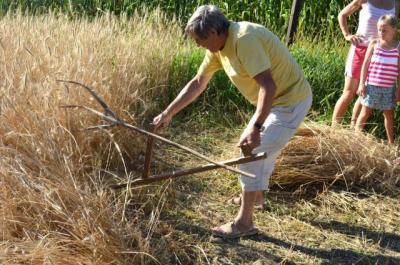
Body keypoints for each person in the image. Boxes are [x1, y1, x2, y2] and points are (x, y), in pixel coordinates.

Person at [152, 5, 312, 238]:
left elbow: (269, 85)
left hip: (289, 101)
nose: (198, 44)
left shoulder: (244, 39)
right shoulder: (218, 47)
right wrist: (168, 113)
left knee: (250, 151)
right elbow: (198, 82)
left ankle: (244, 224)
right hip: (274, 102)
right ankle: (255, 198)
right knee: (257, 151)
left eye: (200, 39)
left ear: (215, 32)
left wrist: (256, 127)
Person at [332, 0, 399, 127]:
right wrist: (346, 35)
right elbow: (342, 15)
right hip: (360, 50)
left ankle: (353, 132)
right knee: (349, 93)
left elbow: (393, 27)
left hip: (379, 54)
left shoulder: (395, 2)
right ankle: (333, 131)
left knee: (364, 94)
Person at [355, 15, 400, 144]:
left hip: (389, 88)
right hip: (372, 86)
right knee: (365, 112)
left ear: (394, 29)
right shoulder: (374, 44)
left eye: (384, 30)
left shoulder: (398, 46)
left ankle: (391, 143)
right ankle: (355, 140)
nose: (381, 33)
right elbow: (365, 65)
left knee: (389, 115)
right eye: (379, 30)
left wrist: (398, 89)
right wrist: (362, 84)